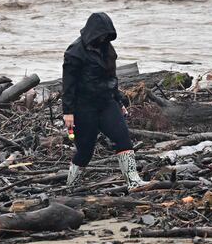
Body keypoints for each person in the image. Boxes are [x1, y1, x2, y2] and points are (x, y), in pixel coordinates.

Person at [61, 12, 147, 190]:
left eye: (107, 36)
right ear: (93, 32)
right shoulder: (75, 52)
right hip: (83, 107)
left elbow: (111, 78)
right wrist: (68, 112)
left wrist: (119, 101)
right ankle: (71, 186)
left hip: (107, 103)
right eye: (101, 35)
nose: (104, 39)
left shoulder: (107, 48)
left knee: (123, 139)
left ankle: (133, 182)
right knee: (85, 151)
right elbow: (68, 85)